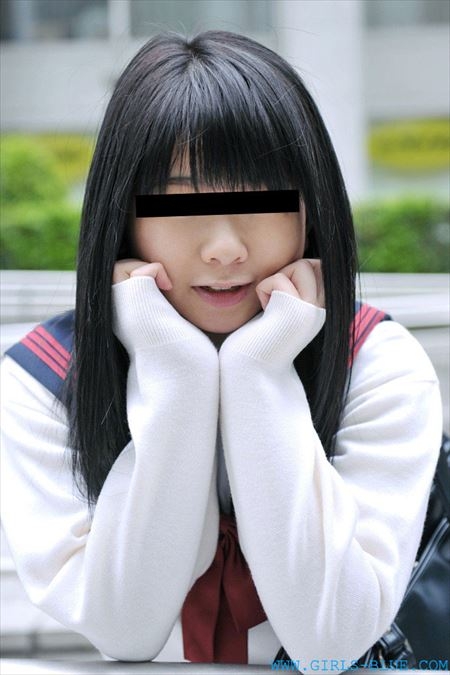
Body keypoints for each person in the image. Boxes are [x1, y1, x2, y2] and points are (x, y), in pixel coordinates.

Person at [1, 31, 442, 671]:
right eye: (180, 204)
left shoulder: (378, 365)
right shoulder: (41, 380)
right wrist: (176, 373)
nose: (225, 248)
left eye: (261, 200)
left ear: (311, 209)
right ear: (121, 217)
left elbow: (331, 641)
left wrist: (258, 371)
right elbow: (124, 629)